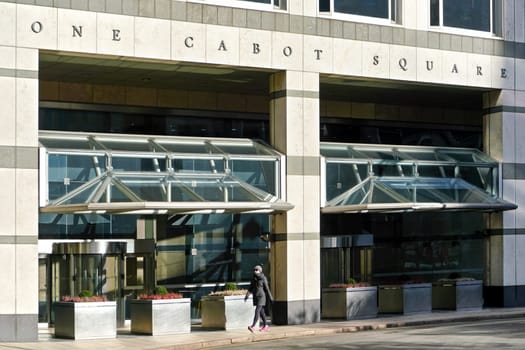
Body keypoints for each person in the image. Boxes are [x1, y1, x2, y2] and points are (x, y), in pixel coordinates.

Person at [245, 264, 273, 332]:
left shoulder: (263, 278)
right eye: (254, 270)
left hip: (261, 297)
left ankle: (253, 326)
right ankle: (265, 326)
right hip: (256, 297)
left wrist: (271, 297)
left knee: (257, 310)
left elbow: (267, 288)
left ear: (260, 271)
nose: (255, 271)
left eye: (256, 270)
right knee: (261, 312)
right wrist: (247, 296)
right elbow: (250, 288)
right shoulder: (254, 279)